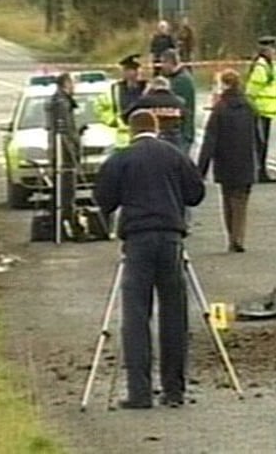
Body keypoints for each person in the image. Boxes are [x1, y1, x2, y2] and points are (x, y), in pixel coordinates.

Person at [94, 109, 205, 409]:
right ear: (156, 128)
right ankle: (174, 390)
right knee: (174, 315)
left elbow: (103, 198)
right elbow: (196, 194)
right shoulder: (174, 155)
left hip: (138, 240)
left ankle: (140, 392)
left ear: (131, 131)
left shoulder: (122, 158)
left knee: (136, 316)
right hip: (170, 239)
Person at [197, 69, 256, 253]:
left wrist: (201, 168)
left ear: (225, 85)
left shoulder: (220, 109)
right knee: (241, 200)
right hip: (246, 159)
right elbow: (259, 136)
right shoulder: (249, 106)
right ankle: (238, 236)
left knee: (228, 198)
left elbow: (210, 140)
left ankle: (232, 236)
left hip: (225, 160)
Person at [45, 72, 85, 238]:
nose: (74, 87)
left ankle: (63, 223)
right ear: (66, 84)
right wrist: (71, 150)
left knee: (63, 190)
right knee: (66, 191)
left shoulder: (61, 101)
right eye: (73, 83)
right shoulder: (61, 103)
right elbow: (63, 131)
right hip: (64, 155)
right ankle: (66, 224)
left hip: (63, 152)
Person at [245, 36, 276, 183]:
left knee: (263, 143)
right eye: (272, 49)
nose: (274, 51)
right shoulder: (261, 67)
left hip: (267, 110)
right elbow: (252, 91)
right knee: (260, 143)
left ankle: (261, 170)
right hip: (259, 110)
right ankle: (259, 172)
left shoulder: (270, 65)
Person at [94, 54, 148, 149]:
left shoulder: (147, 88)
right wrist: (111, 120)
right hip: (123, 140)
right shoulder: (115, 89)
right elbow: (99, 106)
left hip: (143, 134)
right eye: (126, 70)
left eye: (134, 70)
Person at [123, 76, 186, 149]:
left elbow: (126, 116)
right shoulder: (178, 102)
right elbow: (185, 119)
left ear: (151, 87)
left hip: (150, 140)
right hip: (174, 141)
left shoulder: (145, 101)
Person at [160, 48, 196, 156]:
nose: (162, 66)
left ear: (170, 62)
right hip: (178, 133)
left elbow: (172, 102)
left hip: (182, 133)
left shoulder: (181, 81)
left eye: (163, 62)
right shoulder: (177, 78)